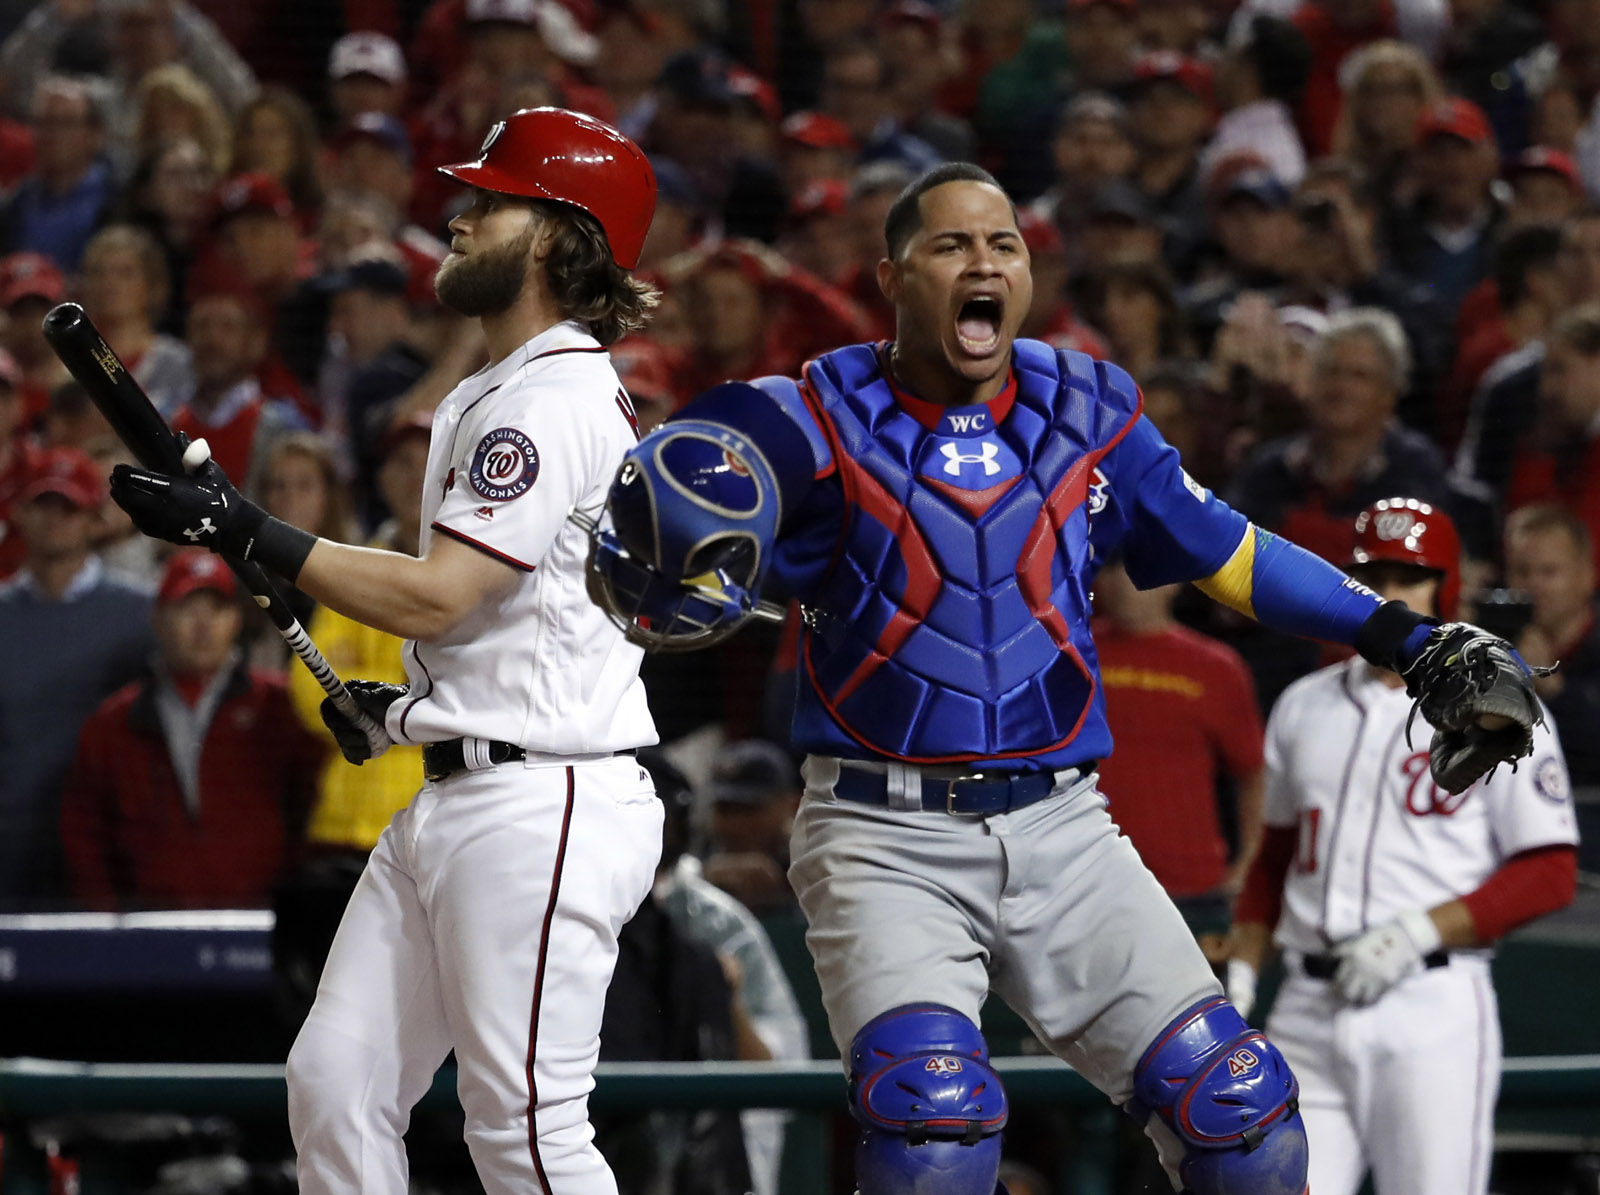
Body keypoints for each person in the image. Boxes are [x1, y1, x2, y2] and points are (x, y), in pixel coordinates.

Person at [582, 160, 1542, 1195]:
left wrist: (1409, 639)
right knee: (933, 1126)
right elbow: (692, 465)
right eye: (951, 245)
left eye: (1003, 244)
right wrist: (674, 509)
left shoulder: (1087, 409)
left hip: (1063, 825)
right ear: (892, 277)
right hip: (883, 832)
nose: (983, 262)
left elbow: (1230, 553)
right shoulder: (812, 411)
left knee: (1243, 1114)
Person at [108, 106, 665, 1195]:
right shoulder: (501, 387)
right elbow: (493, 618)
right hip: (465, 789)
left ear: (558, 239)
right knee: (337, 1081)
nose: (459, 217)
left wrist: (245, 526)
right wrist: (403, 709)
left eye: (492, 201)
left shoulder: (551, 400)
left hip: (542, 801)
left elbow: (441, 596)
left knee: (526, 1132)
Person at [1225, 497, 1579, 1195]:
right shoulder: (1303, 702)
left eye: (1409, 577)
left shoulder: (1498, 705)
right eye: (1372, 577)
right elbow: (1274, 859)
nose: (1388, 594)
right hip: (1306, 1006)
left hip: (1429, 1005)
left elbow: (1550, 870)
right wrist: (1241, 970)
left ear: (1446, 588)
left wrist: (1418, 932)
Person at [59, 550, 323, 910]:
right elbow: (84, 835)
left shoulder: (280, 706)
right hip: (147, 930)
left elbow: (311, 809)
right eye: (188, 607)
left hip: (261, 921)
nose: (204, 624)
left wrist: (295, 907)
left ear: (236, 619)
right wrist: (109, 925)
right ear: (158, 619)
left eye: (217, 608)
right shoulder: (113, 724)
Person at [0, 448, 153, 903]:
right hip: (9, 840)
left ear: (93, 519)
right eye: (43, 505)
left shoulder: (141, 616)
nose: (55, 520)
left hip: (106, 841)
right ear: (18, 513)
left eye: (68, 507)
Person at [1091, 559, 1265, 932]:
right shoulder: (1069, 657)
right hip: (1085, 881)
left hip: (1191, 887)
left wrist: (1247, 868)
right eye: (1111, 569)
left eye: (1132, 569)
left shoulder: (1216, 667)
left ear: (1173, 582)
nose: (1122, 583)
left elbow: (1254, 773)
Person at [1504, 504, 1600, 797]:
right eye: (1522, 572)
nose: (1533, 585)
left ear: (1587, 575)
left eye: (1549, 571)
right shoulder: (1495, 643)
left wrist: (1551, 688)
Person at [700, 739, 803, 917]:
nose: (735, 822)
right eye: (724, 809)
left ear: (792, 805)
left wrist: (787, 887)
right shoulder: (695, 855)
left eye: (749, 809)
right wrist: (702, 883)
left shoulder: (813, 858)